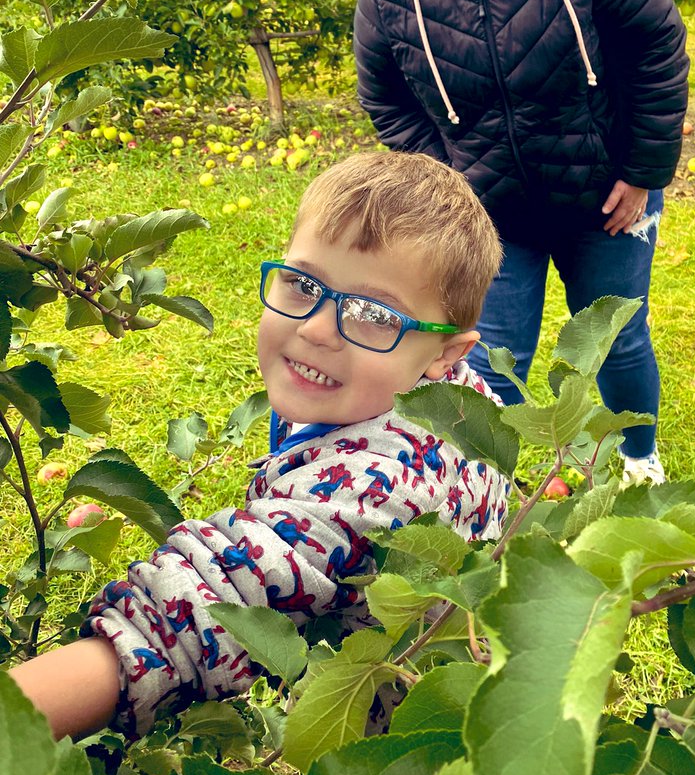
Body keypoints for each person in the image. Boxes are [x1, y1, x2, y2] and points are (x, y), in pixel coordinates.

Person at [8, 151, 506, 741]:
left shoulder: (381, 484)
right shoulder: (453, 403)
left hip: (409, 748)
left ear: (446, 353)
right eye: (302, 284)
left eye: (374, 313)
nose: (317, 328)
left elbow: (206, 610)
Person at [355, 0, 689, 488]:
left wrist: (643, 169)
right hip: (493, 211)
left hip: (608, 196)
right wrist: (454, 187)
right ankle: (477, 493)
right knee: (484, 358)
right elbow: (386, 99)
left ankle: (639, 463)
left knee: (618, 340)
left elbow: (655, 37)